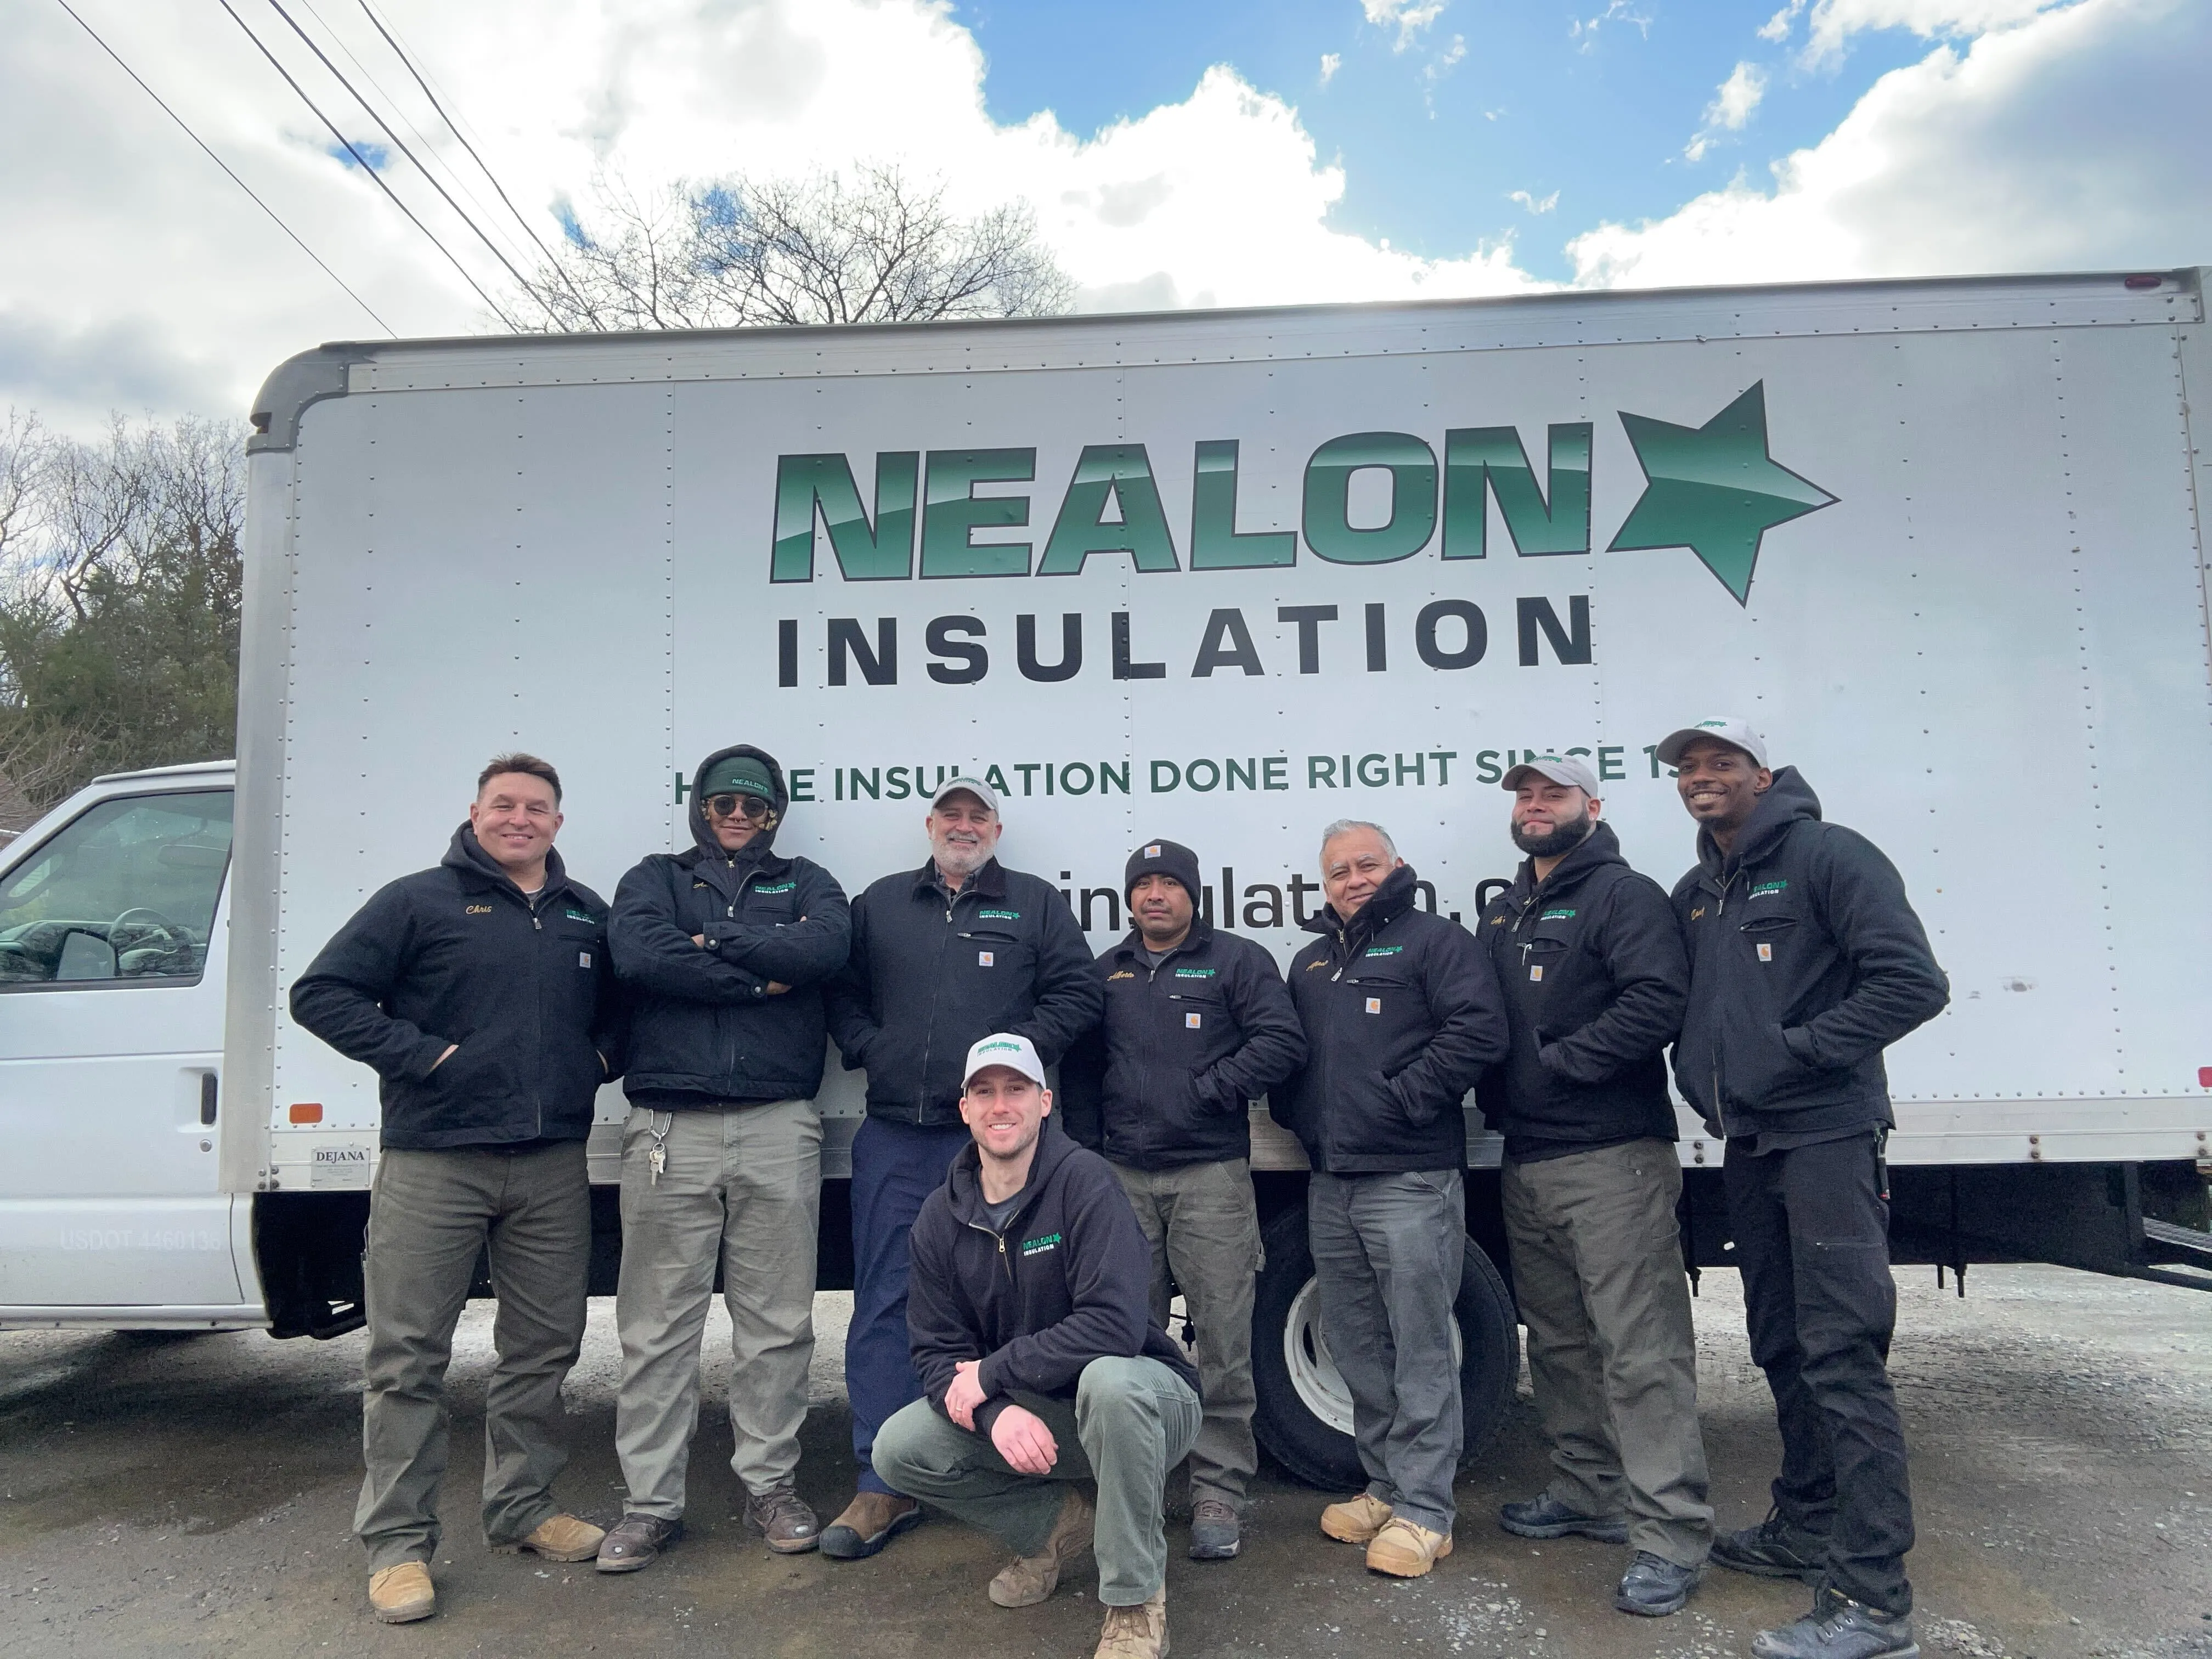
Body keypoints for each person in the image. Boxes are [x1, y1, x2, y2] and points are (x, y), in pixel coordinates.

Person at [290, 754, 624, 1626]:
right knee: (408, 1357)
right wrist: (423, 1057)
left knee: (544, 1346)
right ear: (475, 812)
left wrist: (597, 1062)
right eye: (504, 805)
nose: (521, 819)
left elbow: (630, 1011)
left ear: (559, 820)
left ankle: (522, 1508)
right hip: (435, 1159)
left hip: (552, 1160)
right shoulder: (417, 901)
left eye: (537, 807)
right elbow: (321, 993)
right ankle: (398, 1545)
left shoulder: (586, 913)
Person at [1657, 716, 1949, 1659]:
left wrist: (1798, 1053)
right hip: (1749, 1141)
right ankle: (1807, 1521)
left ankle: (1873, 1598)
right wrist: (1708, 1080)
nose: (1702, 778)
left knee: (1842, 1352)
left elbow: (1911, 981)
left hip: (1825, 1134)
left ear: (1763, 774)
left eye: (1720, 763)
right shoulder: (1701, 888)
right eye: (1688, 768)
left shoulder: (1828, 855)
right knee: (1780, 1339)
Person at [820, 776, 1103, 1559]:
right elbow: (840, 997)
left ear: (998, 829)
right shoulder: (879, 903)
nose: (964, 826)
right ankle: (883, 1485)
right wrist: (875, 1049)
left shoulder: (1036, 903)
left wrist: (1009, 1069)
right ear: (930, 826)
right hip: (899, 1137)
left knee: (1028, 1306)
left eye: (978, 816)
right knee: (886, 1300)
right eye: (952, 815)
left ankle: (1035, 1475)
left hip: (1002, 1142)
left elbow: (1078, 994)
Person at [594, 746, 851, 1571]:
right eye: (722, 802)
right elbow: (640, 957)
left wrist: (713, 945)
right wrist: (754, 974)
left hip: (780, 1124)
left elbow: (820, 955)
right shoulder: (651, 880)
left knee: (777, 1324)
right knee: (658, 1328)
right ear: (699, 808)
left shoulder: (809, 883)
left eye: (754, 803)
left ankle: (770, 1488)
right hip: (672, 1128)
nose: (738, 814)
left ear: (776, 811)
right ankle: (649, 1505)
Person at [874, 1033, 1202, 1659]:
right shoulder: (939, 1220)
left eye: (1017, 1089)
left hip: (1149, 1405)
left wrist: (995, 1375)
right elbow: (935, 1355)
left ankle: (1135, 1601)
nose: (1002, 1106)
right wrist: (994, 1412)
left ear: (1045, 1102)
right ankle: (1056, 1526)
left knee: (1111, 1381)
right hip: (1041, 1415)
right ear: (964, 1108)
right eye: (985, 1092)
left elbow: (1116, 1324)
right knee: (899, 1448)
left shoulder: (1086, 1184)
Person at [1474, 754, 1711, 1616]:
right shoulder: (1506, 909)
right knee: (1563, 1342)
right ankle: (1588, 1492)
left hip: (1613, 1159)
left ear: (1592, 805)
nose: (1536, 807)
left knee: (1641, 1351)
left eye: (1554, 795)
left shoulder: (1622, 895)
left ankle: (1672, 1536)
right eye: (1525, 796)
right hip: (1527, 1159)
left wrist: (1563, 1064)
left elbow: (1660, 999)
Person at [1274, 819, 1508, 1579]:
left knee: (1421, 1342)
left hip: (1409, 1178)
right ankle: (1383, 1484)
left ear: (1396, 865)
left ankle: (1427, 1510)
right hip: (1332, 1181)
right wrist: (1300, 1116)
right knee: (1355, 1340)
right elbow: (1291, 1057)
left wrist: (1405, 1098)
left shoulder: (1435, 942)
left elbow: (1479, 1030)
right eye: (1337, 870)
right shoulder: (1311, 963)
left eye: (1366, 864)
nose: (1353, 879)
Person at [1060, 839, 1306, 1561]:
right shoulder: (1105, 973)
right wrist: (1085, 1154)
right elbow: (1079, 1070)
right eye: (1144, 884)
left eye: (1170, 883)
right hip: (1123, 1183)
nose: (1156, 895)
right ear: (1129, 898)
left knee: (1225, 1338)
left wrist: (1210, 1090)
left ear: (1192, 896)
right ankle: (1139, 1485)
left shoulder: (1235, 961)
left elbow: (1281, 1041)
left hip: (1212, 1180)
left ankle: (1219, 1490)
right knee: (1128, 1339)